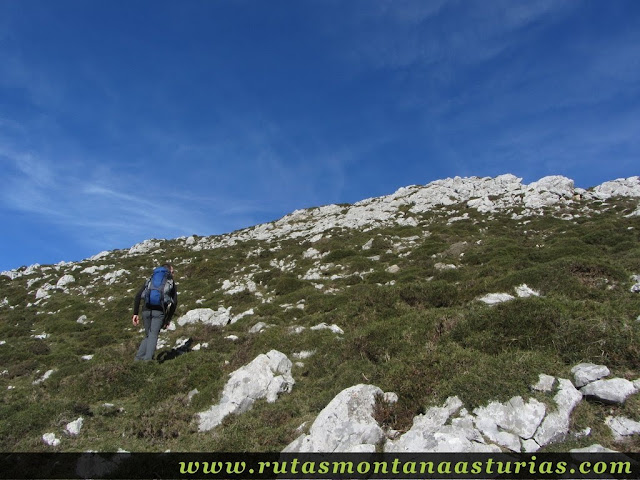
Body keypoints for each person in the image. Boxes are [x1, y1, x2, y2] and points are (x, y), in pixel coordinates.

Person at [132, 263, 178, 361]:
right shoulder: (170, 282)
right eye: (173, 271)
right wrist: (168, 319)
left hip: (146, 310)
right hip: (159, 311)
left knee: (148, 335)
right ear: (169, 271)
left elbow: (138, 295)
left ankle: (138, 359)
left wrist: (135, 313)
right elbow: (174, 303)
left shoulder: (151, 279)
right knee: (153, 335)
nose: (173, 274)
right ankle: (147, 361)